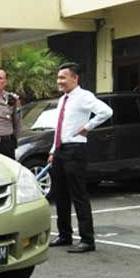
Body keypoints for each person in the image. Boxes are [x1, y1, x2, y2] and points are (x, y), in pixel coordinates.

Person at [47, 62, 112, 254]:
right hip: (60, 149)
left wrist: (87, 128)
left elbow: (107, 112)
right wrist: (52, 151)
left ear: (75, 78)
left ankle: (87, 239)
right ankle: (64, 234)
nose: (59, 81)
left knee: (79, 195)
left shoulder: (84, 97)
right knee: (61, 194)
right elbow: (59, 129)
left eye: (63, 77)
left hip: (75, 150)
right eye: (58, 78)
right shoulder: (63, 99)